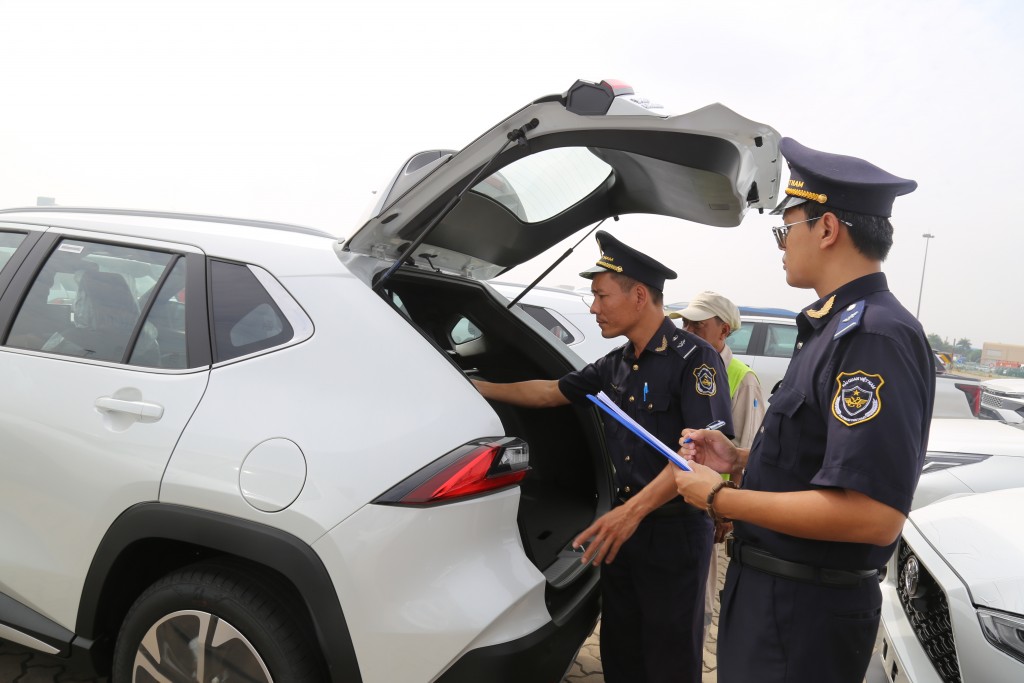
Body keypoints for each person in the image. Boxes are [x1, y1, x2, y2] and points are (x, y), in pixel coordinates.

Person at [673, 138, 935, 683]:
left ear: (827, 228)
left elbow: (873, 515)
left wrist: (722, 496)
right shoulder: (830, 327)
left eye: (785, 227)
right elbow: (821, 457)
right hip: (776, 597)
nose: (782, 244)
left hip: (803, 614)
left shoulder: (872, 336)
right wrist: (741, 459)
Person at [473, 230, 734, 683]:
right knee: (622, 654)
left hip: (671, 534)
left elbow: (697, 456)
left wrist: (629, 514)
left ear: (638, 295)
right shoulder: (615, 364)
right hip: (622, 532)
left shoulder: (695, 359)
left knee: (670, 660)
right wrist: (477, 388)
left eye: (600, 295)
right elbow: (551, 393)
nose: (593, 307)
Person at [669, 291, 766, 647]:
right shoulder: (682, 366)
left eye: (699, 324)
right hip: (676, 502)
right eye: (685, 322)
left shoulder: (741, 378)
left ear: (723, 330)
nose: (688, 329)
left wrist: (727, 515)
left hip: (710, 508)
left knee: (698, 601)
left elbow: (750, 452)